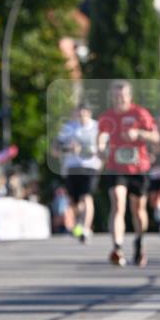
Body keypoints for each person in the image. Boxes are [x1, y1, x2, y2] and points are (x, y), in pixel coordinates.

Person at [98, 80, 160, 267]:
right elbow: (101, 136)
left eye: (122, 96)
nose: (119, 100)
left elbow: (156, 137)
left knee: (138, 210)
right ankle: (117, 247)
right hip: (115, 167)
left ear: (129, 97)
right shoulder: (107, 117)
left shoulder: (140, 113)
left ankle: (139, 243)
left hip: (138, 167)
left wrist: (139, 134)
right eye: (116, 96)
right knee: (118, 203)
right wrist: (101, 147)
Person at [53, 103, 100, 243]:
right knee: (74, 202)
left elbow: (103, 148)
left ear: (89, 113)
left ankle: (85, 228)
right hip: (72, 167)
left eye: (83, 113)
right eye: (78, 113)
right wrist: (69, 148)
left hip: (90, 167)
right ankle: (79, 223)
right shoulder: (68, 128)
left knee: (87, 196)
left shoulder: (97, 127)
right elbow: (55, 149)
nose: (80, 116)